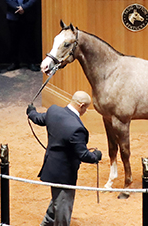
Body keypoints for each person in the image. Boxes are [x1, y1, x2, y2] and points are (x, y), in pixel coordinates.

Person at [27, 91, 102, 226]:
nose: (85, 111)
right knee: (63, 210)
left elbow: (38, 118)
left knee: (57, 202)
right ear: (81, 105)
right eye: (86, 108)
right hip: (64, 175)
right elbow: (83, 154)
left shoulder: (53, 111)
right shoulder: (76, 128)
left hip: (51, 168)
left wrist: (31, 112)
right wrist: (96, 156)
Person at [3, 0, 40, 72]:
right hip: (13, 15)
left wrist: (24, 7)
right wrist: (17, 8)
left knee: (29, 40)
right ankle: (14, 62)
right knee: (14, 41)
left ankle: (31, 62)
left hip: (28, 15)